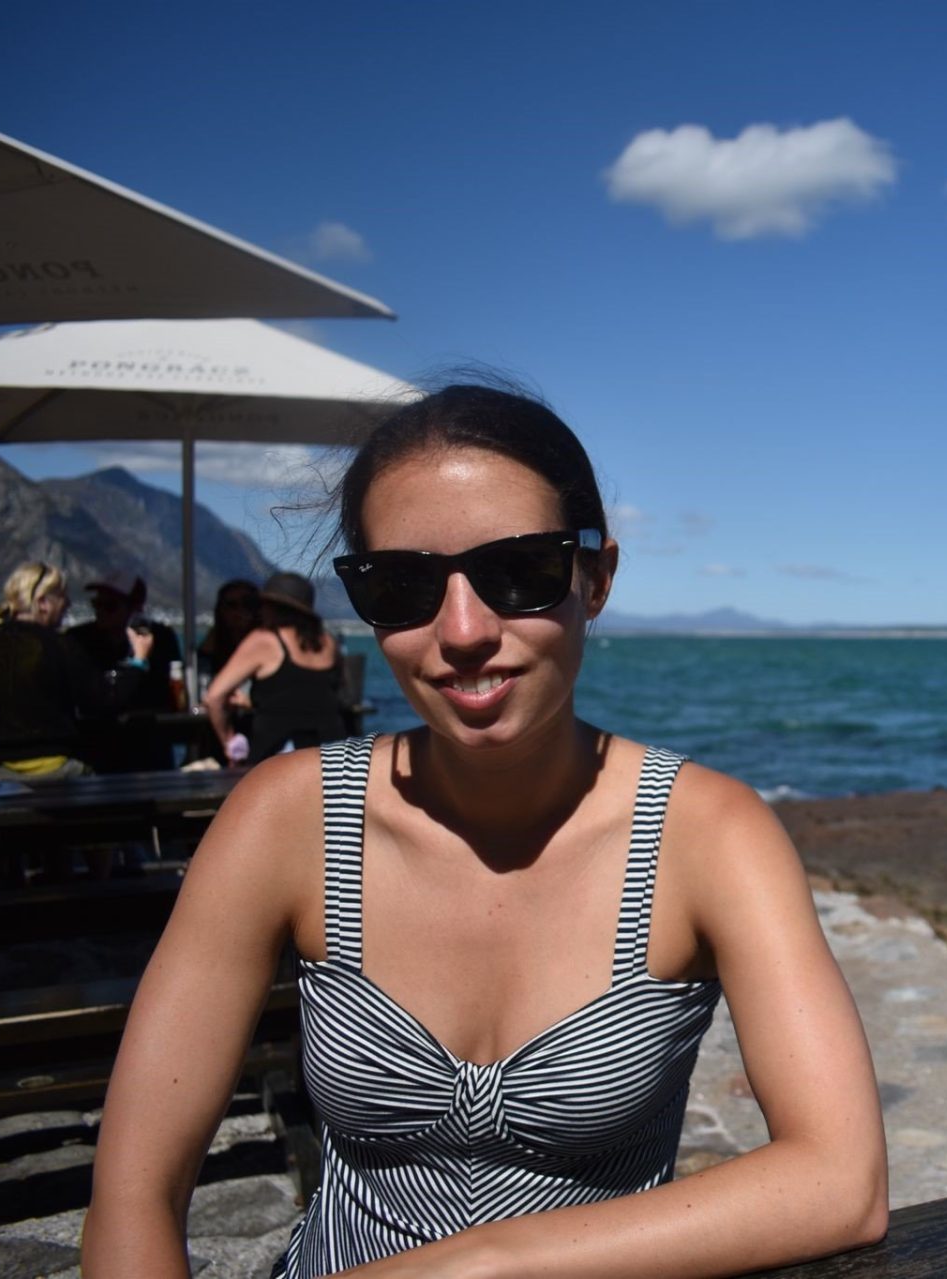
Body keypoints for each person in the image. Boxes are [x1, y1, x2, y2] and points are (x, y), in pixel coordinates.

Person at [84, 383, 889, 1276]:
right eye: (403, 585)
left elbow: (839, 1178)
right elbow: (131, 1198)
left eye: (520, 572)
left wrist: (481, 1262)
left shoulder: (710, 836)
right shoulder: (287, 821)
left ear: (597, 578)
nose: (463, 630)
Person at [0, 563, 149, 886]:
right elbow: (102, 702)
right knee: (98, 810)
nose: (69, 605)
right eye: (62, 596)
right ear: (43, 601)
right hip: (59, 770)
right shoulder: (59, 645)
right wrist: (139, 662)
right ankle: (99, 891)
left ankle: (11, 889)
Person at [201, 572, 346, 766]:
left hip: (281, 755)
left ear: (271, 607)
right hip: (333, 751)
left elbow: (213, 697)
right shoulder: (328, 642)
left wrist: (231, 743)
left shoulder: (264, 641)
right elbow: (315, 695)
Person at [64, 577, 182, 772]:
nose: (100, 611)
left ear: (134, 608)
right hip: (97, 746)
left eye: (110, 606)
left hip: (147, 745)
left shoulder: (161, 639)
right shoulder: (79, 639)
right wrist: (137, 665)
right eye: (96, 604)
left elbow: (166, 691)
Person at [192, 579, 261, 762]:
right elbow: (205, 692)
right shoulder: (212, 645)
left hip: (259, 735)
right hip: (217, 734)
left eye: (247, 604)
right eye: (231, 605)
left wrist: (252, 700)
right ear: (221, 610)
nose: (239, 611)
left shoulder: (265, 645)